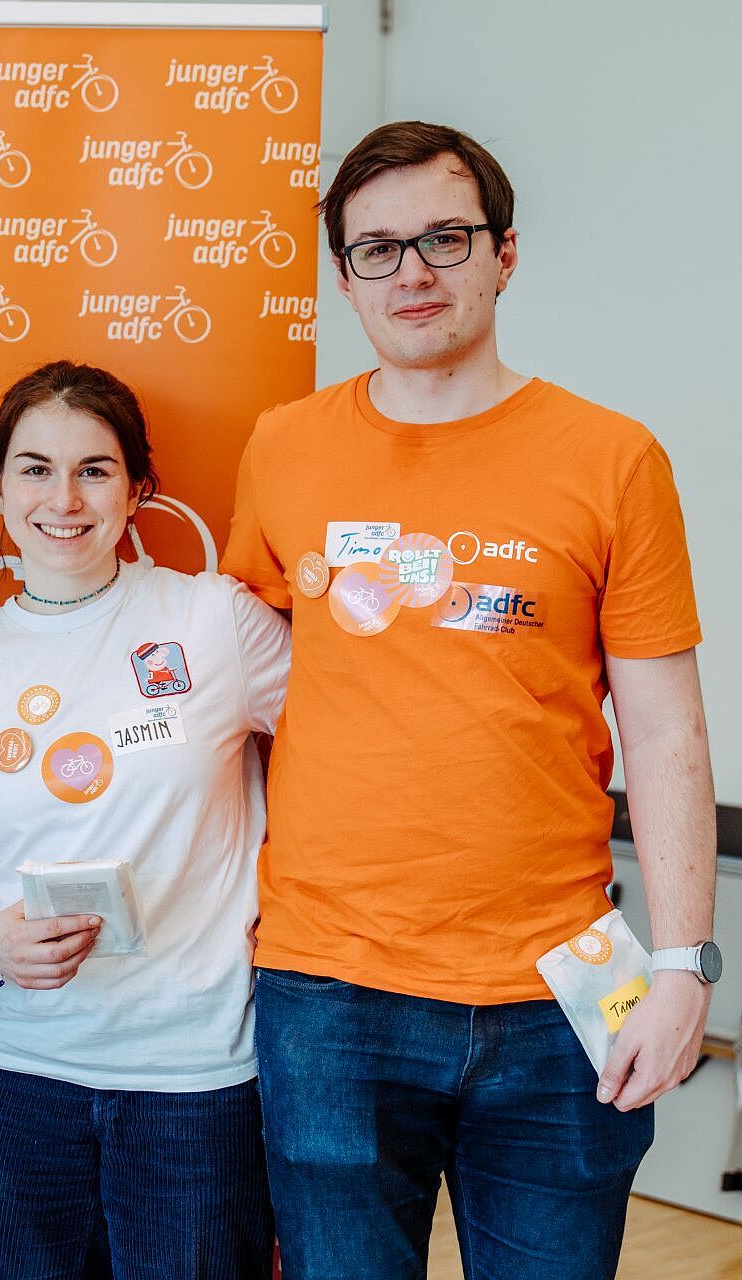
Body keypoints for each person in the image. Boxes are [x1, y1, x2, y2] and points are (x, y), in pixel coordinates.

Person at [221, 120, 718, 1280]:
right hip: (326, 989)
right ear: (341, 277)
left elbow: (665, 728)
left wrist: (686, 960)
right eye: (377, 250)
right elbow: (236, 691)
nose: (415, 272)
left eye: (445, 237)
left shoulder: (610, 457)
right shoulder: (282, 448)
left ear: (503, 253)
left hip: (558, 989)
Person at [0, 360, 290, 1280]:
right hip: (20, 1080)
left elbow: (352, 752)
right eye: (34, 469)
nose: (63, 499)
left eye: (94, 468)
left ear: (138, 487)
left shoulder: (212, 622)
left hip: (197, 1078)